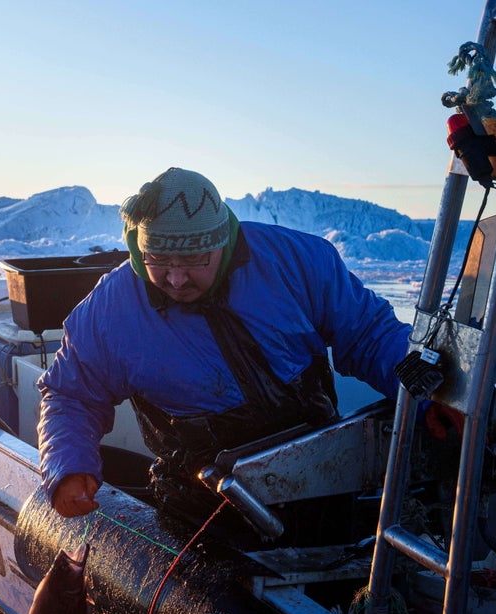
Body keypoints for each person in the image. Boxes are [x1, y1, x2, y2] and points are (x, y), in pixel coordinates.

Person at [36, 167, 411, 543]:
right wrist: (68, 466)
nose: (176, 279)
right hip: (199, 507)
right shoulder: (110, 309)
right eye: (158, 259)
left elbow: (371, 335)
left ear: (222, 243)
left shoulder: (298, 262)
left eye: (194, 260)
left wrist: (424, 394)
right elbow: (71, 395)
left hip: (320, 479)